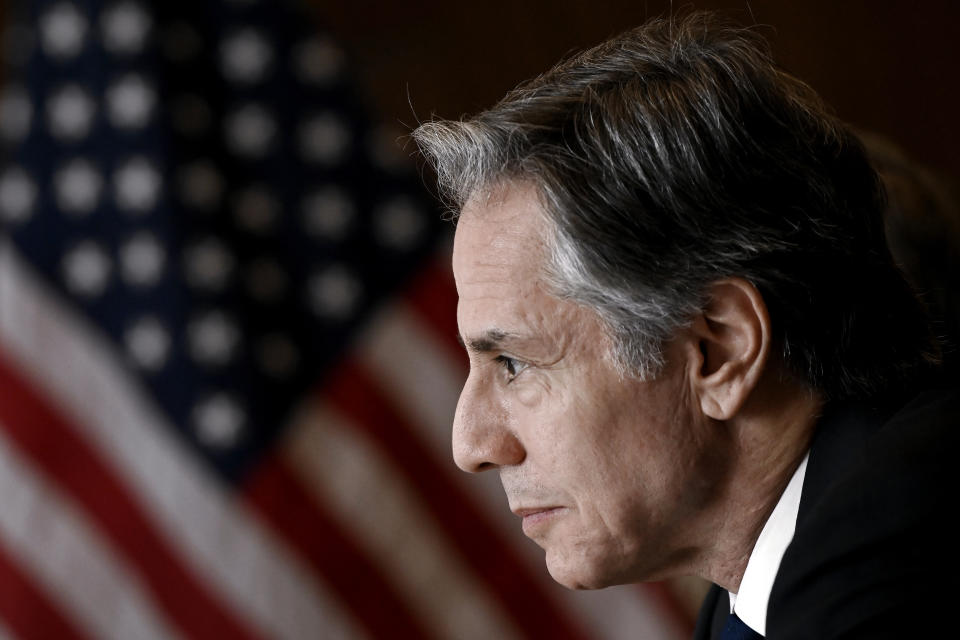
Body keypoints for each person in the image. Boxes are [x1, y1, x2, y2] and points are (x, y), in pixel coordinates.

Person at [413, 12, 958, 639]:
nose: (470, 444)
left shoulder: (884, 585)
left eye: (513, 363)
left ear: (719, 347)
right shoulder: (757, 595)